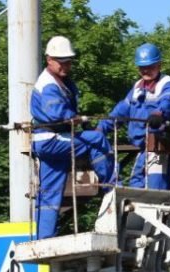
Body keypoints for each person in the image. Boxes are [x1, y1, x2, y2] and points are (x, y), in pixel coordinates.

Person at [30, 36, 115, 239]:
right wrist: (75, 119)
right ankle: (112, 188)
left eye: (68, 61)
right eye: (61, 61)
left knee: (50, 193)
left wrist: (82, 123)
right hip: (52, 139)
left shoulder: (62, 82)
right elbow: (56, 113)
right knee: (97, 140)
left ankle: (44, 239)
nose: (65, 65)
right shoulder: (49, 84)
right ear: (49, 59)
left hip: (49, 142)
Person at [100, 43, 170, 190]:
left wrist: (159, 114)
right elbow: (121, 110)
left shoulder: (166, 84)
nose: (146, 70)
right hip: (142, 147)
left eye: (150, 66)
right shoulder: (138, 88)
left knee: (156, 188)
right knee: (136, 183)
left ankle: (159, 212)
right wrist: (101, 128)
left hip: (159, 147)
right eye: (142, 67)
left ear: (159, 65)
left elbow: (168, 103)